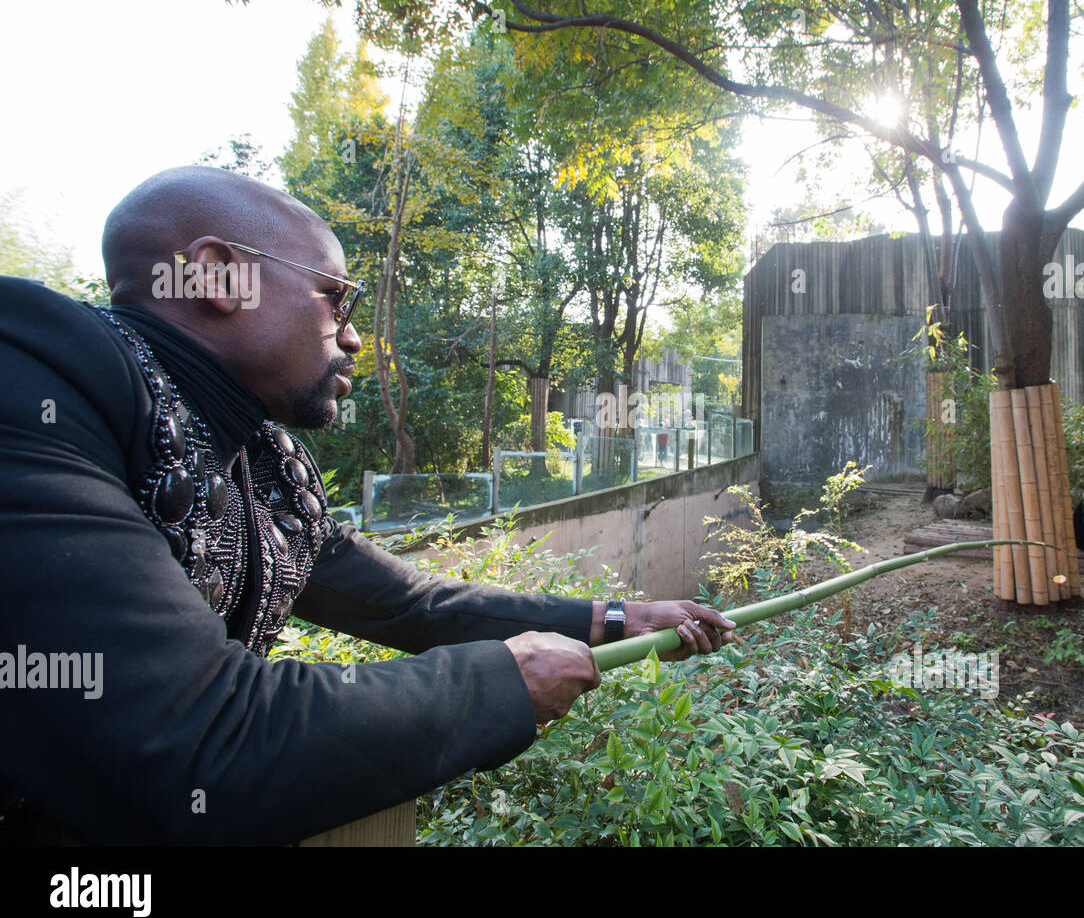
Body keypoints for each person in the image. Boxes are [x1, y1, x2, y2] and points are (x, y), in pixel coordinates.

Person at [0, 166, 735, 846]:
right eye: (333, 295)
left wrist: (617, 619)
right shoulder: (40, 378)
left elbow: (409, 604)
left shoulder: (262, 462)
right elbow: (186, 741)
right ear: (220, 275)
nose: (351, 334)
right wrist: (499, 682)